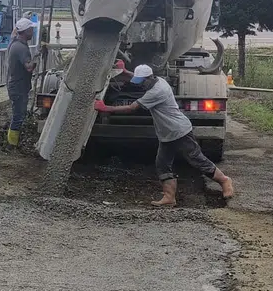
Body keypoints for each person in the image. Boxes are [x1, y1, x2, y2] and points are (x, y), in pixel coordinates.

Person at [94, 64, 235, 207]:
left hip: (179, 131)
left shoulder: (157, 91)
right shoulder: (157, 80)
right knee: (162, 164)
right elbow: (138, 78)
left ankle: (224, 180)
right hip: (167, 134)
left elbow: (132, 108)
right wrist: (125, 71)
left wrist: (106, 108)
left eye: (141, 82)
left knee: (196, 159)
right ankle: (169, 197)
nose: (140, 86)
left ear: (149, 79)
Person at [5, 19, 36, 146]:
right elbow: (28, 67)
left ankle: (12, 142)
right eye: (31, 30)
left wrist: (23, 18)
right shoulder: (21, 48)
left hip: (15, 85)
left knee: (18, 114)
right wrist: (37, 58)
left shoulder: (14, 42)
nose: (32, 32)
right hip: (18, 87)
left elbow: (14, 33)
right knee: (18, 116)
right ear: (25, 32)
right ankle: (12, 144)